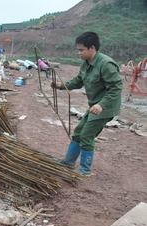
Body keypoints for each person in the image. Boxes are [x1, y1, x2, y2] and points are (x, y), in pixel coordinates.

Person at [51, 32, 123, 176]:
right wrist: (60, 86)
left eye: (81, 50)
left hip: (105, 107)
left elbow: (116, 87)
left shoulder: (106, 64)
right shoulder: (86, 64)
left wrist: (101, 105)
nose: (79, 53)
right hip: (95, 105)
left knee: (86, 135)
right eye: (78, 50)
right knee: (78, 133)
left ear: (92, 48)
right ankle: (69, 161)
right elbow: (78, 81)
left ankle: (85, 169)